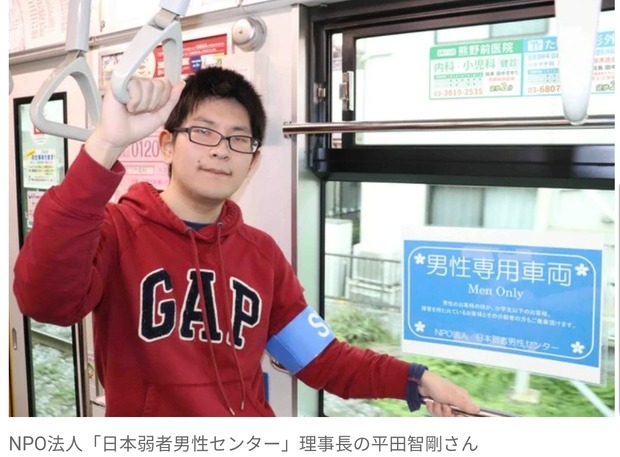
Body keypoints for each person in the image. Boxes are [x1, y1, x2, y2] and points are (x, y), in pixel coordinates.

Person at [13, 66, 479, 417]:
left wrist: (418, 379)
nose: (221, 149)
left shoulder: (261, 255)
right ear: (167, 145)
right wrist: (106, 144)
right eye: (203, 132)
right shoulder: (116, 231)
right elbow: (44, 300)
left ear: (252, 162)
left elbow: (320, 359)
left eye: (239, 139)